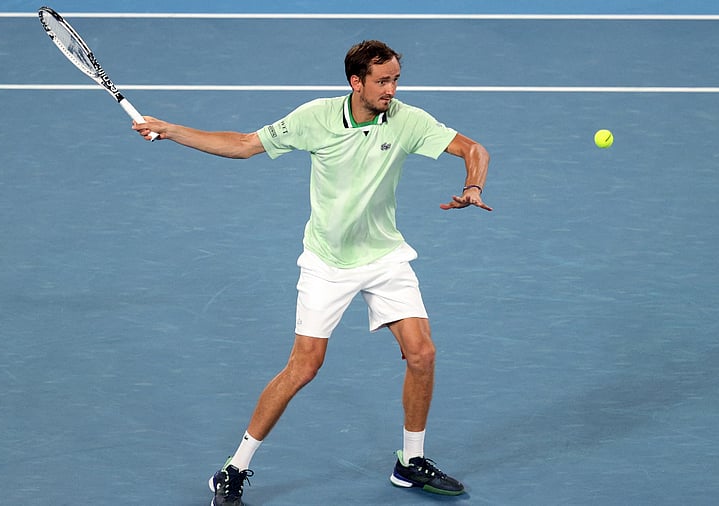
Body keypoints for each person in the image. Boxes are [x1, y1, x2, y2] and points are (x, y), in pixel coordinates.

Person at [133, 40, 491, 506]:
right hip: (327, 263)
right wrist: (171, 130)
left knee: (422, 354)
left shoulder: (406, 120)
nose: (392, 89)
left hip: (383, 257)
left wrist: (472, 184)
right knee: (304, 367)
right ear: (355, 83)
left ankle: (410, 462)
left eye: (396, 78)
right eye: (383, 81)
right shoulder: (315, 118)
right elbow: (243, 145)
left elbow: (472, 148)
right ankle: (233, 468)